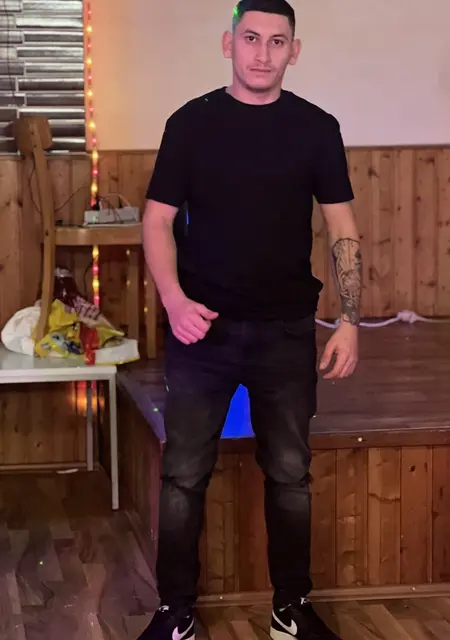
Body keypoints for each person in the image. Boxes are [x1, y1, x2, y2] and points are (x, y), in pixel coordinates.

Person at [140, 0, 361, 638]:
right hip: (201, 330)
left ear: (295, 50)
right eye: (251, 38)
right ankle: (175, 612)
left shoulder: (317, 128)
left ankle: (290, 609)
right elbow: (156, 220)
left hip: (286, 330)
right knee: (183, 476)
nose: (262, 53)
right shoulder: (190, 123)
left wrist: (349, 320)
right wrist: (174, 301)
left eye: (277, 41)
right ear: (228, 43)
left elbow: (342, 226)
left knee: (290, 475)